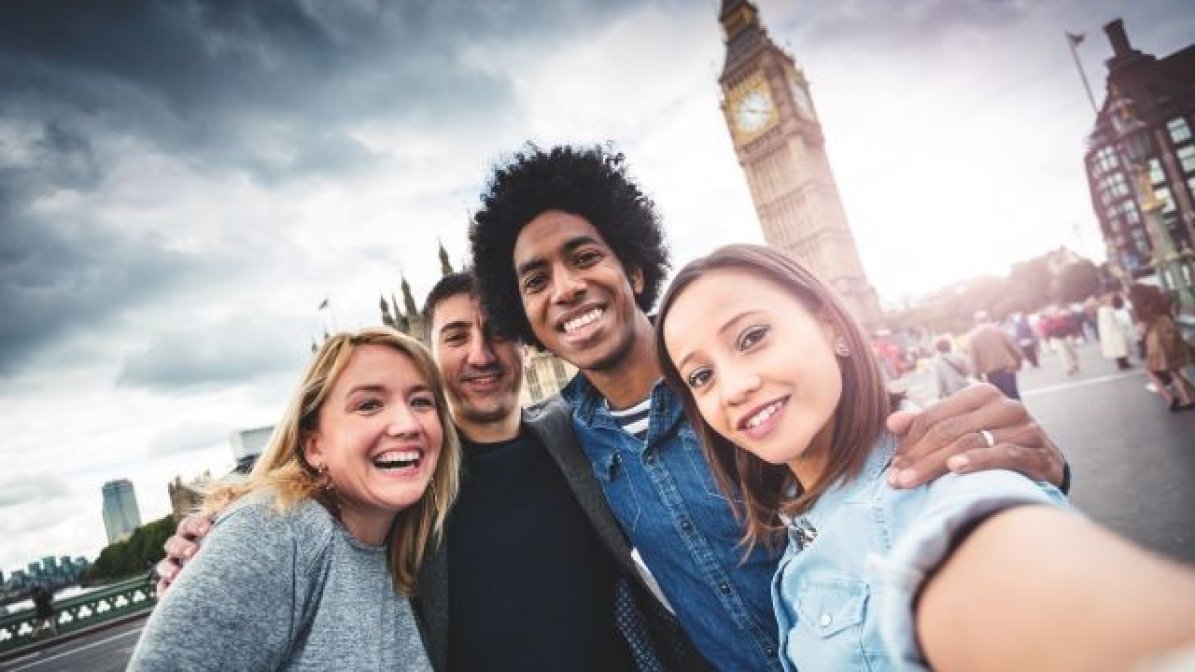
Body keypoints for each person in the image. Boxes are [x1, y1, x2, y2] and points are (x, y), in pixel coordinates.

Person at [468, 143, 1069, 670]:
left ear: (634, 268)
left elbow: (894, 467)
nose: (566, 288)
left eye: (582, 256)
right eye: (535, 280)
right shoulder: (563, 437)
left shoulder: (753, 392)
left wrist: (1024, 467)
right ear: (524, 317)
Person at [655, 244, 1195, 671]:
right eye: (701, 376)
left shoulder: (942, 482)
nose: (732, 388)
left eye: (751, 337)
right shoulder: (797, 516)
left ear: (833, 328)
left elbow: (1021, 581)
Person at [155, 274, 700, 670]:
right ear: (431, 354)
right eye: (456, 336)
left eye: (498, 333)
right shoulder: (406, 486)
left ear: (529, 350)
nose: (481, 353)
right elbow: (300, 500)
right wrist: (211, 538)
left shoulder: (578, 432)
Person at [131, 327, 460, 670]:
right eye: (369, 405)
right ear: (314, 446)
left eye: (421, 401)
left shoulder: (402, 548)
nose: (406, 424)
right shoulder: (279, 529)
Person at [1128, 284, 1194, 412]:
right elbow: (1172, 306)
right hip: (1169, 330)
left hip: (1156, 336)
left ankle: (1169, 398)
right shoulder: (1158, 298)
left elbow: (1144, 325)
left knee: (1150, 370)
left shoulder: (1140, 306)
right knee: (1173, 369)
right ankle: (1187, 398)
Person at [965, 310, 1023, 400]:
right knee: (1013, 397)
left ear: (975, 321)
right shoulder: (999, 330)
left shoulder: (973, 337)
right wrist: (1018, 363)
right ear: (988, 318)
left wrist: (977, 376)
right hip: (1007, 369)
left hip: (991, 373)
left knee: (999, 400)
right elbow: (1014, 348)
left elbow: (973, 359)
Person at [1097, 293, 1133, 371]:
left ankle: (1124, 363)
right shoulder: (1106, 310)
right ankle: (1123, 364)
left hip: (1112, 333)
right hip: (1114, 332)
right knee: (1119, 349)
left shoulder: (1103, 310)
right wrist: (1120, 326)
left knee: (1120, 349)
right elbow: (1112, 322)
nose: (1110, 301)